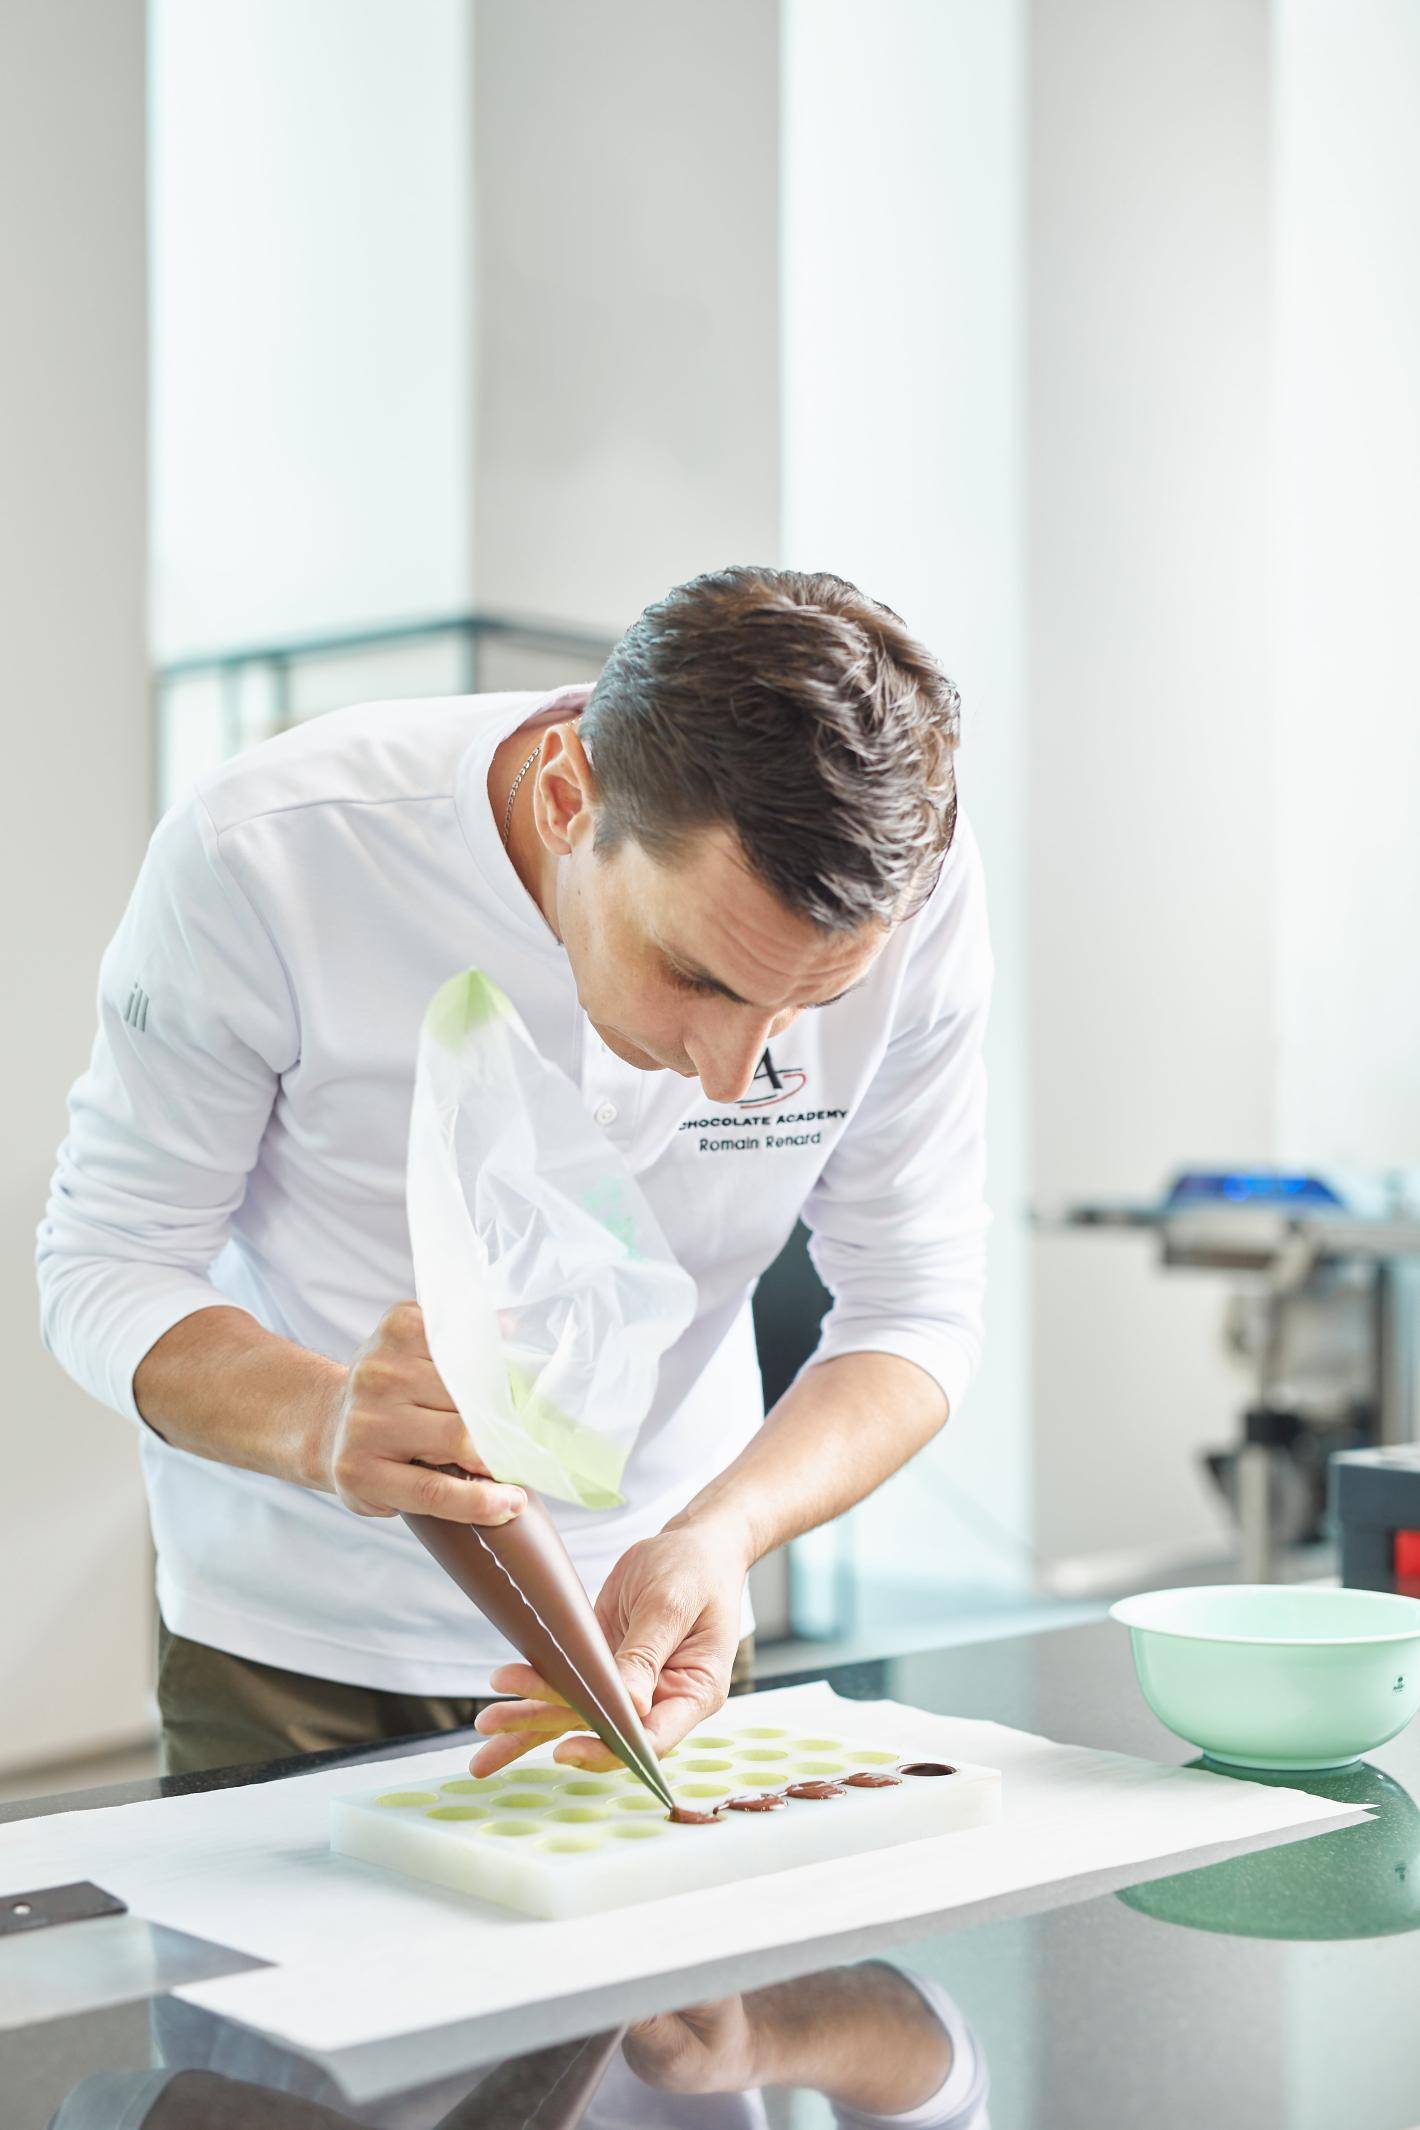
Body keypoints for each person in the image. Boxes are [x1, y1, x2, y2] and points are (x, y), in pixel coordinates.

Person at [37, 565, 990, 1780]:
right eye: (696, 977)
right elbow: (106, 1261)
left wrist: (723, 1532)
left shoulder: (916, 887)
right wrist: (322, 1420)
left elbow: (914, 1308)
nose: (729, 1072)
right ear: (563, 797)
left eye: (811, 1006)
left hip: (664, 1625)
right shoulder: (267, 851)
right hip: (297, 1642)